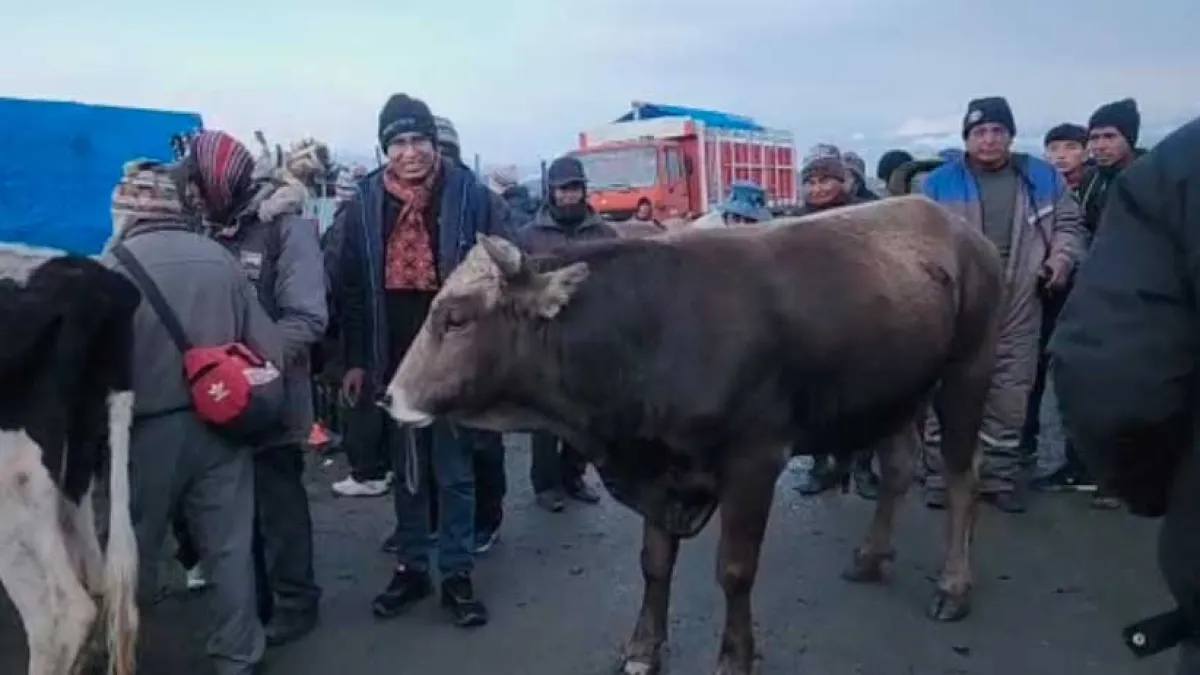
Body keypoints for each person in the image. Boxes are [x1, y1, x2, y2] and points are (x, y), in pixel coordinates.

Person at [338, 93, 511, 627]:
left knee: (455, 472)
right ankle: (413, 568)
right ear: (384, 148)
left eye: (418, 140)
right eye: (398, 142)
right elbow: (350, 287)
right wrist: (354, 361)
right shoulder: (366, 204)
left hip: (455, 360)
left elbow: (505, 271)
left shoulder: (471, 197)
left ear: (435, 145)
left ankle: (456, 575)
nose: (409, 152)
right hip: (393, 358)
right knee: (408, 469)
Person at [104, 159, 283, 675]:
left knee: (134, 547)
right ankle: (239, 656)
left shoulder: (112, 266)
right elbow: (267, 345)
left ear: (128, 211)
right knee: (229, 548)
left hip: (146, 432)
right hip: (223, 423)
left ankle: (125, 654)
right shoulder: (219, 258)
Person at [1051, 116, 1200, 675]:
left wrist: (1162, 488)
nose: (1091, 149)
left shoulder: (1172, 173)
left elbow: (1117, 382)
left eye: (1099, 139)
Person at [919, 96, 1088, 513]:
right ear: (966, 138)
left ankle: (997, 477)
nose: (989, 140)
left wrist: (1059, 262)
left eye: (998, 131)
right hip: (956, 298)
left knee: (1010, 388)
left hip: (1020, 293)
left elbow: (1069, 225)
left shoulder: (1041, 177)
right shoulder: (939, 183)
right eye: (980, 132)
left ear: (1011, 136)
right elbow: (918, 239)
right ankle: (942, 477)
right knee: (945, 386)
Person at [192, 130, 328, 646]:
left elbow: (308, 317)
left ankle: (296, 601)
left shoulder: (286, 230)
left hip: (272, 398)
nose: (196, 196)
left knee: (279, 504)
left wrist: (245, 361)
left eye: (203, 185)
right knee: (230, 511)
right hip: (217, 401)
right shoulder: (208, 229)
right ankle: (256, 600)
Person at [514, 155, 611, 512]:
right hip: (545, 338)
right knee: (545, 417)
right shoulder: (527, 235)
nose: (569, 196)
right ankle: (545, 485)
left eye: (574, 188)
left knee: (583, 415)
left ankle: (574, 476)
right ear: (550, 192)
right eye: (562, 189)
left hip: (589, 337)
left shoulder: (604, 234)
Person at [1027, 122, 1093, 494]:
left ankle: (1082, 463)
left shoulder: (1097, 188)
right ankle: (1024, 447)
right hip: (1046, 294)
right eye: (1054, 148)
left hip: (1086, 297)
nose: (1061, 155)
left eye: (1071, 147)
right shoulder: (1040, 188)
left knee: (1075, 379)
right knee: (1031, 374)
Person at [1079, 98, 1144, 233]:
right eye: (1094, 138)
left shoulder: (1154, 177)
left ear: (1129, 139)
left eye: (1110, 137)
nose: (1100, 146)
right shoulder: (1090, 179)